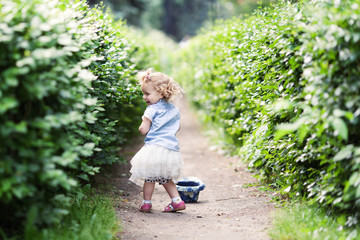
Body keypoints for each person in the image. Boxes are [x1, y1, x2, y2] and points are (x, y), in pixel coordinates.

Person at [129, 68, 185, 213]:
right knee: (166, 177)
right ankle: (177, 201)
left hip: (154, 148)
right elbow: (177, 128)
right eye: (143, 93)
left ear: (160, 93)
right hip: (170, 149)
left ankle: (146, 203)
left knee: (150, 176)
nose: (144, 97)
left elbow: (143, 130)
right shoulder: (174, 109)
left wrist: (144, 121)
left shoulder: (151, 110)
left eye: (147, 94)